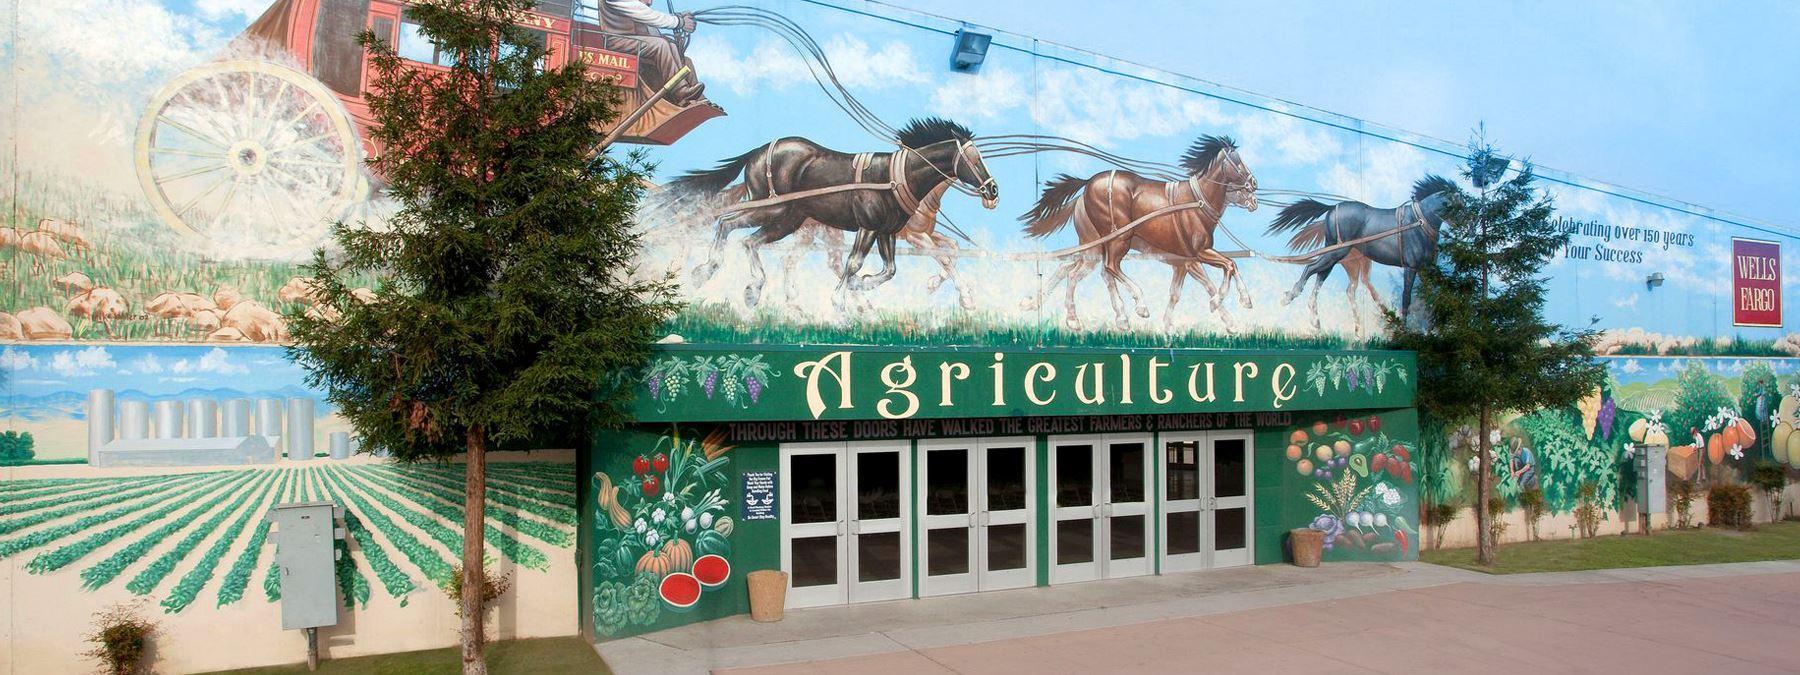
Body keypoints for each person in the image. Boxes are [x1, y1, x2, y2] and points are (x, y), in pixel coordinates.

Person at [598, 0, 708, 106]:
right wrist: (679, 22)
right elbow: (645, 14)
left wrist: (678, 17)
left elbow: (649, 17)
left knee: (672, 46)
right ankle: (681, 92)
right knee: (661, 45)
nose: (649, 2)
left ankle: (696, 98)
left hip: (633, 39)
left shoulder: (637, 9)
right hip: (618, 40)